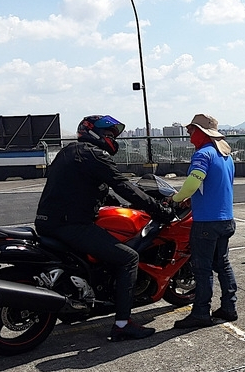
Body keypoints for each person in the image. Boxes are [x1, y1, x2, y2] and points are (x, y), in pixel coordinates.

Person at [35, 115, 173, 341]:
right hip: (72, 225)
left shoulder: (68, 152)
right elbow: (123, 185)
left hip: (48, 222)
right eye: (108, 134)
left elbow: (92, 187)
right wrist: (159, 210)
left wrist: (120, 205)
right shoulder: (94, 154)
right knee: (128, 258)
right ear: (93, 132)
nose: (111, 139)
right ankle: (122, 324)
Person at [171, 113, 239, 328]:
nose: (189, 134)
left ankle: (201, 312)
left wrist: (176, 198)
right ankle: (229, 307)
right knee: (223, 264)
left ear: (201, 133)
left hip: (206, 222)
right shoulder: (225, 156)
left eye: (192, 130)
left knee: (202, 268)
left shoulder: (203, 155)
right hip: (226, 219)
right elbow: (214, 187)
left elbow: (193, 182)